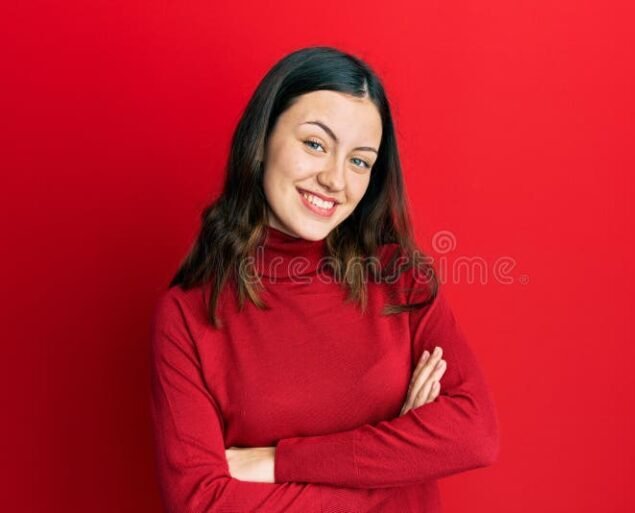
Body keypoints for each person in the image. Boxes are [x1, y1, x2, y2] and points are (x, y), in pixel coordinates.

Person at [149, 46, 500, 513]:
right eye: (315, 144)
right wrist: (401, 457)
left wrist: (278, 462)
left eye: (359, 161)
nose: (335, 179)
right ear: (263, 137)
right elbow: (203, 503)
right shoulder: (188, 314)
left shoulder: (401, 278)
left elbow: (475, 435)